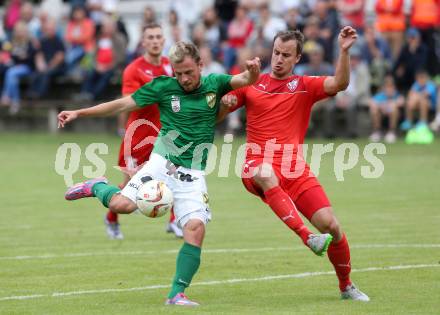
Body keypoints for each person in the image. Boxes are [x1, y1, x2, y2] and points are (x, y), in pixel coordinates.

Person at [57, 41, 261, 306]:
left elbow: (245, 78)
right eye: (178, 73)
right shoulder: (163, 87)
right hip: (161, 162)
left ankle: (176, 294)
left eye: (188, 72)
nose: (184, 79)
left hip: (193, 173)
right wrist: (78, 112)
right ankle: (97, 186)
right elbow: (122, 105)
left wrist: (253, 71)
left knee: (195, 228)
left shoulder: (216, 83)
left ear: (200, 65)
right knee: (122, 205)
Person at [219, 27, 370, 301]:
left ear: (297, 58)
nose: (278, 59)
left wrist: (344, 51)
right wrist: (224, 104)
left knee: (331, 225)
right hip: (257, 164)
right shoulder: (251, 82)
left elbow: (339, 83)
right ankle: (306, 236)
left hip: (293, 169)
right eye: (276, 52)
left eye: (286, 55)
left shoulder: (304, 86)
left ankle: (346, 285)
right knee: (264, 173)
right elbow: (216, 116)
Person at [105, 23, 178, 240]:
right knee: (130, 186)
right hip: (138, 136)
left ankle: (174, 222)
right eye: (151, 37)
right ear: (143, 42)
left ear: (164, 41)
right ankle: (111, 219)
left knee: (175, 176)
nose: (155, 41)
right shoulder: (134, 69)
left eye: (158, 37)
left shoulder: (170, 66)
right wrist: (157, 92)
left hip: (164, 134)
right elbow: (130, 103)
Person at [368, 75, 404, 143]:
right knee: (374, 110)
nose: (389, 88)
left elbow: (401, 102)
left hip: (395, 115)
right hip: (382, 114)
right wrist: (382, 106)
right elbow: (371, 102)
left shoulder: (397, 94)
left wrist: (392, 104)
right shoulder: (380, 95)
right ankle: (377, 132)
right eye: (387, 86)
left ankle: (391, 132)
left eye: (391, 86)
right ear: (384, 87)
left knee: (394, 109)